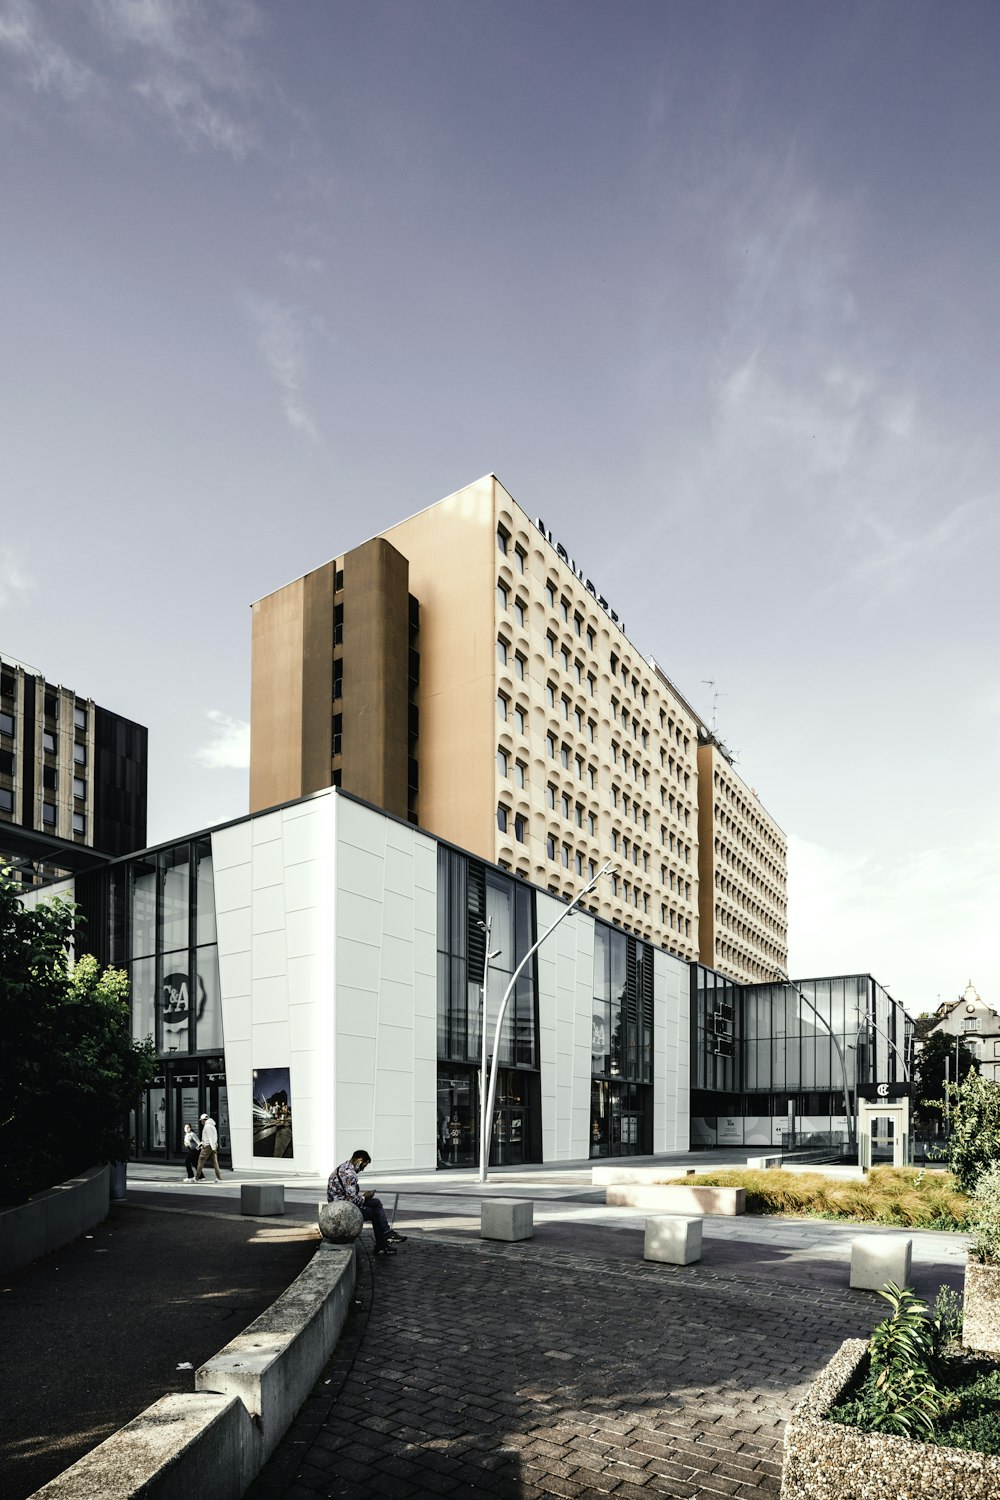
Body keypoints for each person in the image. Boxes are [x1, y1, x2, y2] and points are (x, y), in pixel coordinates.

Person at [327, 1149, 406, 1256]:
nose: (362, 1169)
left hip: (337, 1205)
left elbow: (348, 1196)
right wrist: (365, 1197)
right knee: (373, 1213)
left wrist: (364, 1198)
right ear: (359, 1161)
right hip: (342, 1210)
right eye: (364, 1166)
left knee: (375, 1202)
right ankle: (381, 1245)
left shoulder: (342, 1168)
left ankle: (386, 1234)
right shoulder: (349, 1174)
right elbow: (352, 1200)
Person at [194, 1113, 222, 1181]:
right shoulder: (212, 1125)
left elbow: (210, 1138)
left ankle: (196, 1178)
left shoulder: (207, 1126)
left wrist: (212, 1148)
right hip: (212, 1145)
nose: (201, 1122)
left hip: (207, 1147)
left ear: (204, 1120)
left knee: (200, 1161)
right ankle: (219, 1178)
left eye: (201, 1120)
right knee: (215, 1162)